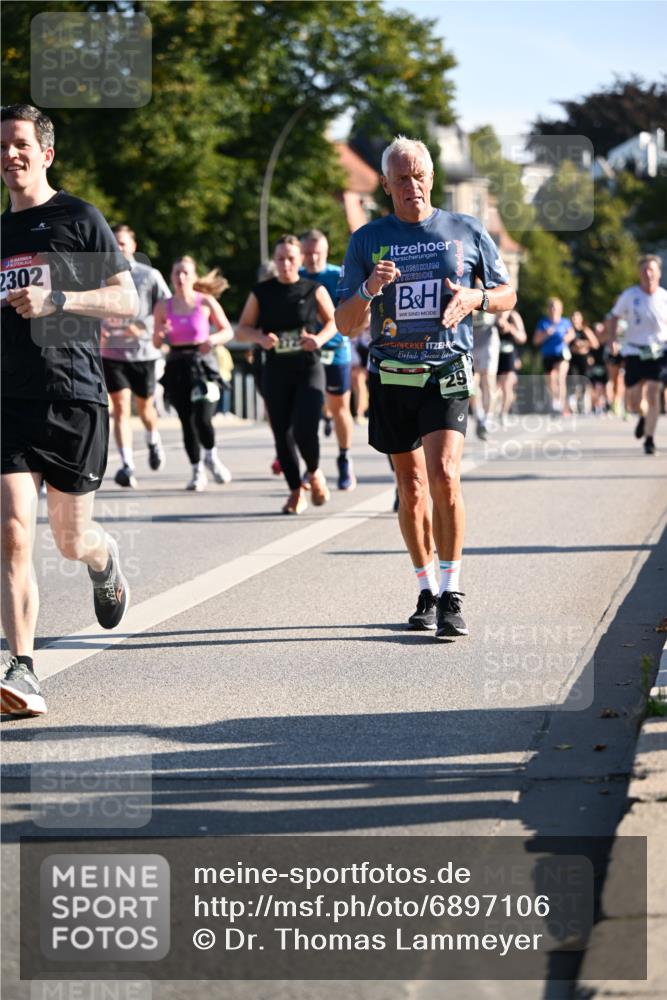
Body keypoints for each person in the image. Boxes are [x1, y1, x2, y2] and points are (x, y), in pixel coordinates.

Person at [335, 135, 516, 638]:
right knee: (410, 488)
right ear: (387, 186)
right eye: (401, 178)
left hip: (447, 370)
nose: (411, 185)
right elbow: (345, 322)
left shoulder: (467, 229)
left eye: (418, 175)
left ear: (431, 177)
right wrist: (371, 287)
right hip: (393, 375)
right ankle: (426, 588)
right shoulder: (367, 240)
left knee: (444, 476)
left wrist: (476, 299)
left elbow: (509, 294)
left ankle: (453, 590)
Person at [1, 104, 138, 717]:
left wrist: (56, 297)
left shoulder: (78, 219)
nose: (10, 155)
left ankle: (103, 560)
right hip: (8, 399)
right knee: (10, 532)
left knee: (68, 537)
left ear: (46, 153)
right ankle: (23, 670)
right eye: (2, 145)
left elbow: (126, 300)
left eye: (21, 144)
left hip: (74, 396)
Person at [236, 234, 336, 514]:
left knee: (305, 429)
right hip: (276, 371)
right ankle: (295, 492)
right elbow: (241, 329)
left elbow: (334, 322)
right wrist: (259, 337)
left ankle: (314, 472)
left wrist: (319, 339)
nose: (285, 263)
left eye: (291, 258)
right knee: (282, 434)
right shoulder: (262, 292)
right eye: (280, 258)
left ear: (300, 259)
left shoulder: (312, 289)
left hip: (308, 368)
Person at [153, 256, 234, 490]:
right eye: (176, 273)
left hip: (202, 363)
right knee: (186, 421)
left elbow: (227, 330)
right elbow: (156, 342)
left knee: (203, 417)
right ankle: (197, 470)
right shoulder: (163, 306)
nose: (180, 277)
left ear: (194, 277)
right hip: (177, 364)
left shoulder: (205, 302)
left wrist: (213, 340)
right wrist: (161, 334)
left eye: (185, 273)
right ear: (171, 277)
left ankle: (211, 456)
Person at [101, 224, 170, 488]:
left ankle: (153, 439)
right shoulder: (99, 276)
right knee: (119, 408)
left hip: (143, 352)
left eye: (122, 243)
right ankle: (127, 465)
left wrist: (142, 327)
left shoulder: (149, 276)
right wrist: (100, 327)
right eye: (114, 243)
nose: (118, 248)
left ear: (133, 246)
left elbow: (166, 308)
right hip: (112, 352)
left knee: (145, 409)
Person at [300, 229, 356, 490]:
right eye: (308, 253)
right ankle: (311, 466)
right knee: (306, 409)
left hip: (335, 350)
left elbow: (348, 310)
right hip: (304, 354)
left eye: (317, 253)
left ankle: (344, 458)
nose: (312, 258)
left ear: (325, 251)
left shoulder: (337, 275)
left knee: (339, 408)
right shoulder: (296, 276)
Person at [609, 254, 667, 455]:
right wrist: (613, 339)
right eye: (644, 270)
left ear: (659, 273)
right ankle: (642, 417)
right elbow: (614, 317)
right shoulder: (630, 295)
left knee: (653, 394)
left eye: (652, 269)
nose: (648, 273)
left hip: (659, 352)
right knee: (633, 402)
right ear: (639, 273)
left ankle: (650, 440)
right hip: (634, 350)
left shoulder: (664, 297)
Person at [533, 297, 575, 414]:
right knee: (551, 379)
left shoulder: (565, 322)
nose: (553, 309)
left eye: (555, 307)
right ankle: (555, 401)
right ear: (548, 309)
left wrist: (567, 338)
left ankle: (561, 404)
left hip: (562, 353)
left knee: (560, 377)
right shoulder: (543, 323)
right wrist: (546, 333)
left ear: (560, 309)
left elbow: (572, 334)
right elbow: (536, 340)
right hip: (548, 354)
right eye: (551, 307)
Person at [471, 306, 499, 440]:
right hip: (471, 338)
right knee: (471, 382)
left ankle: (488, 419)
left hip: (489, 339)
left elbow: (502, 307)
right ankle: (479, 415)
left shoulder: (491, 285)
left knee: (488, 379)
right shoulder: (466, 285)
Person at [496, 308, 527, 424]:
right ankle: (493, 408)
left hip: (510, 354)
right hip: (494, 354)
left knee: (507, 385)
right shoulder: (492, 314)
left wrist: (510, 328)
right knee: (496, 386)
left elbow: (523, 338)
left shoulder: (514, 316)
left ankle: (503, 413)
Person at [568, 309, 599, 414]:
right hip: (571, 358)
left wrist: (583, 343)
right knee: (573, 380)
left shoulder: (585, 330)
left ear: (581, 319)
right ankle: (573, 401)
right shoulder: (568, 330)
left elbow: (595, 343)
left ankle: (583, 402)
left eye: (576, 317)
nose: (574, 319)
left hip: (583, 359)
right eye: (572, 317)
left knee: (584, 381)